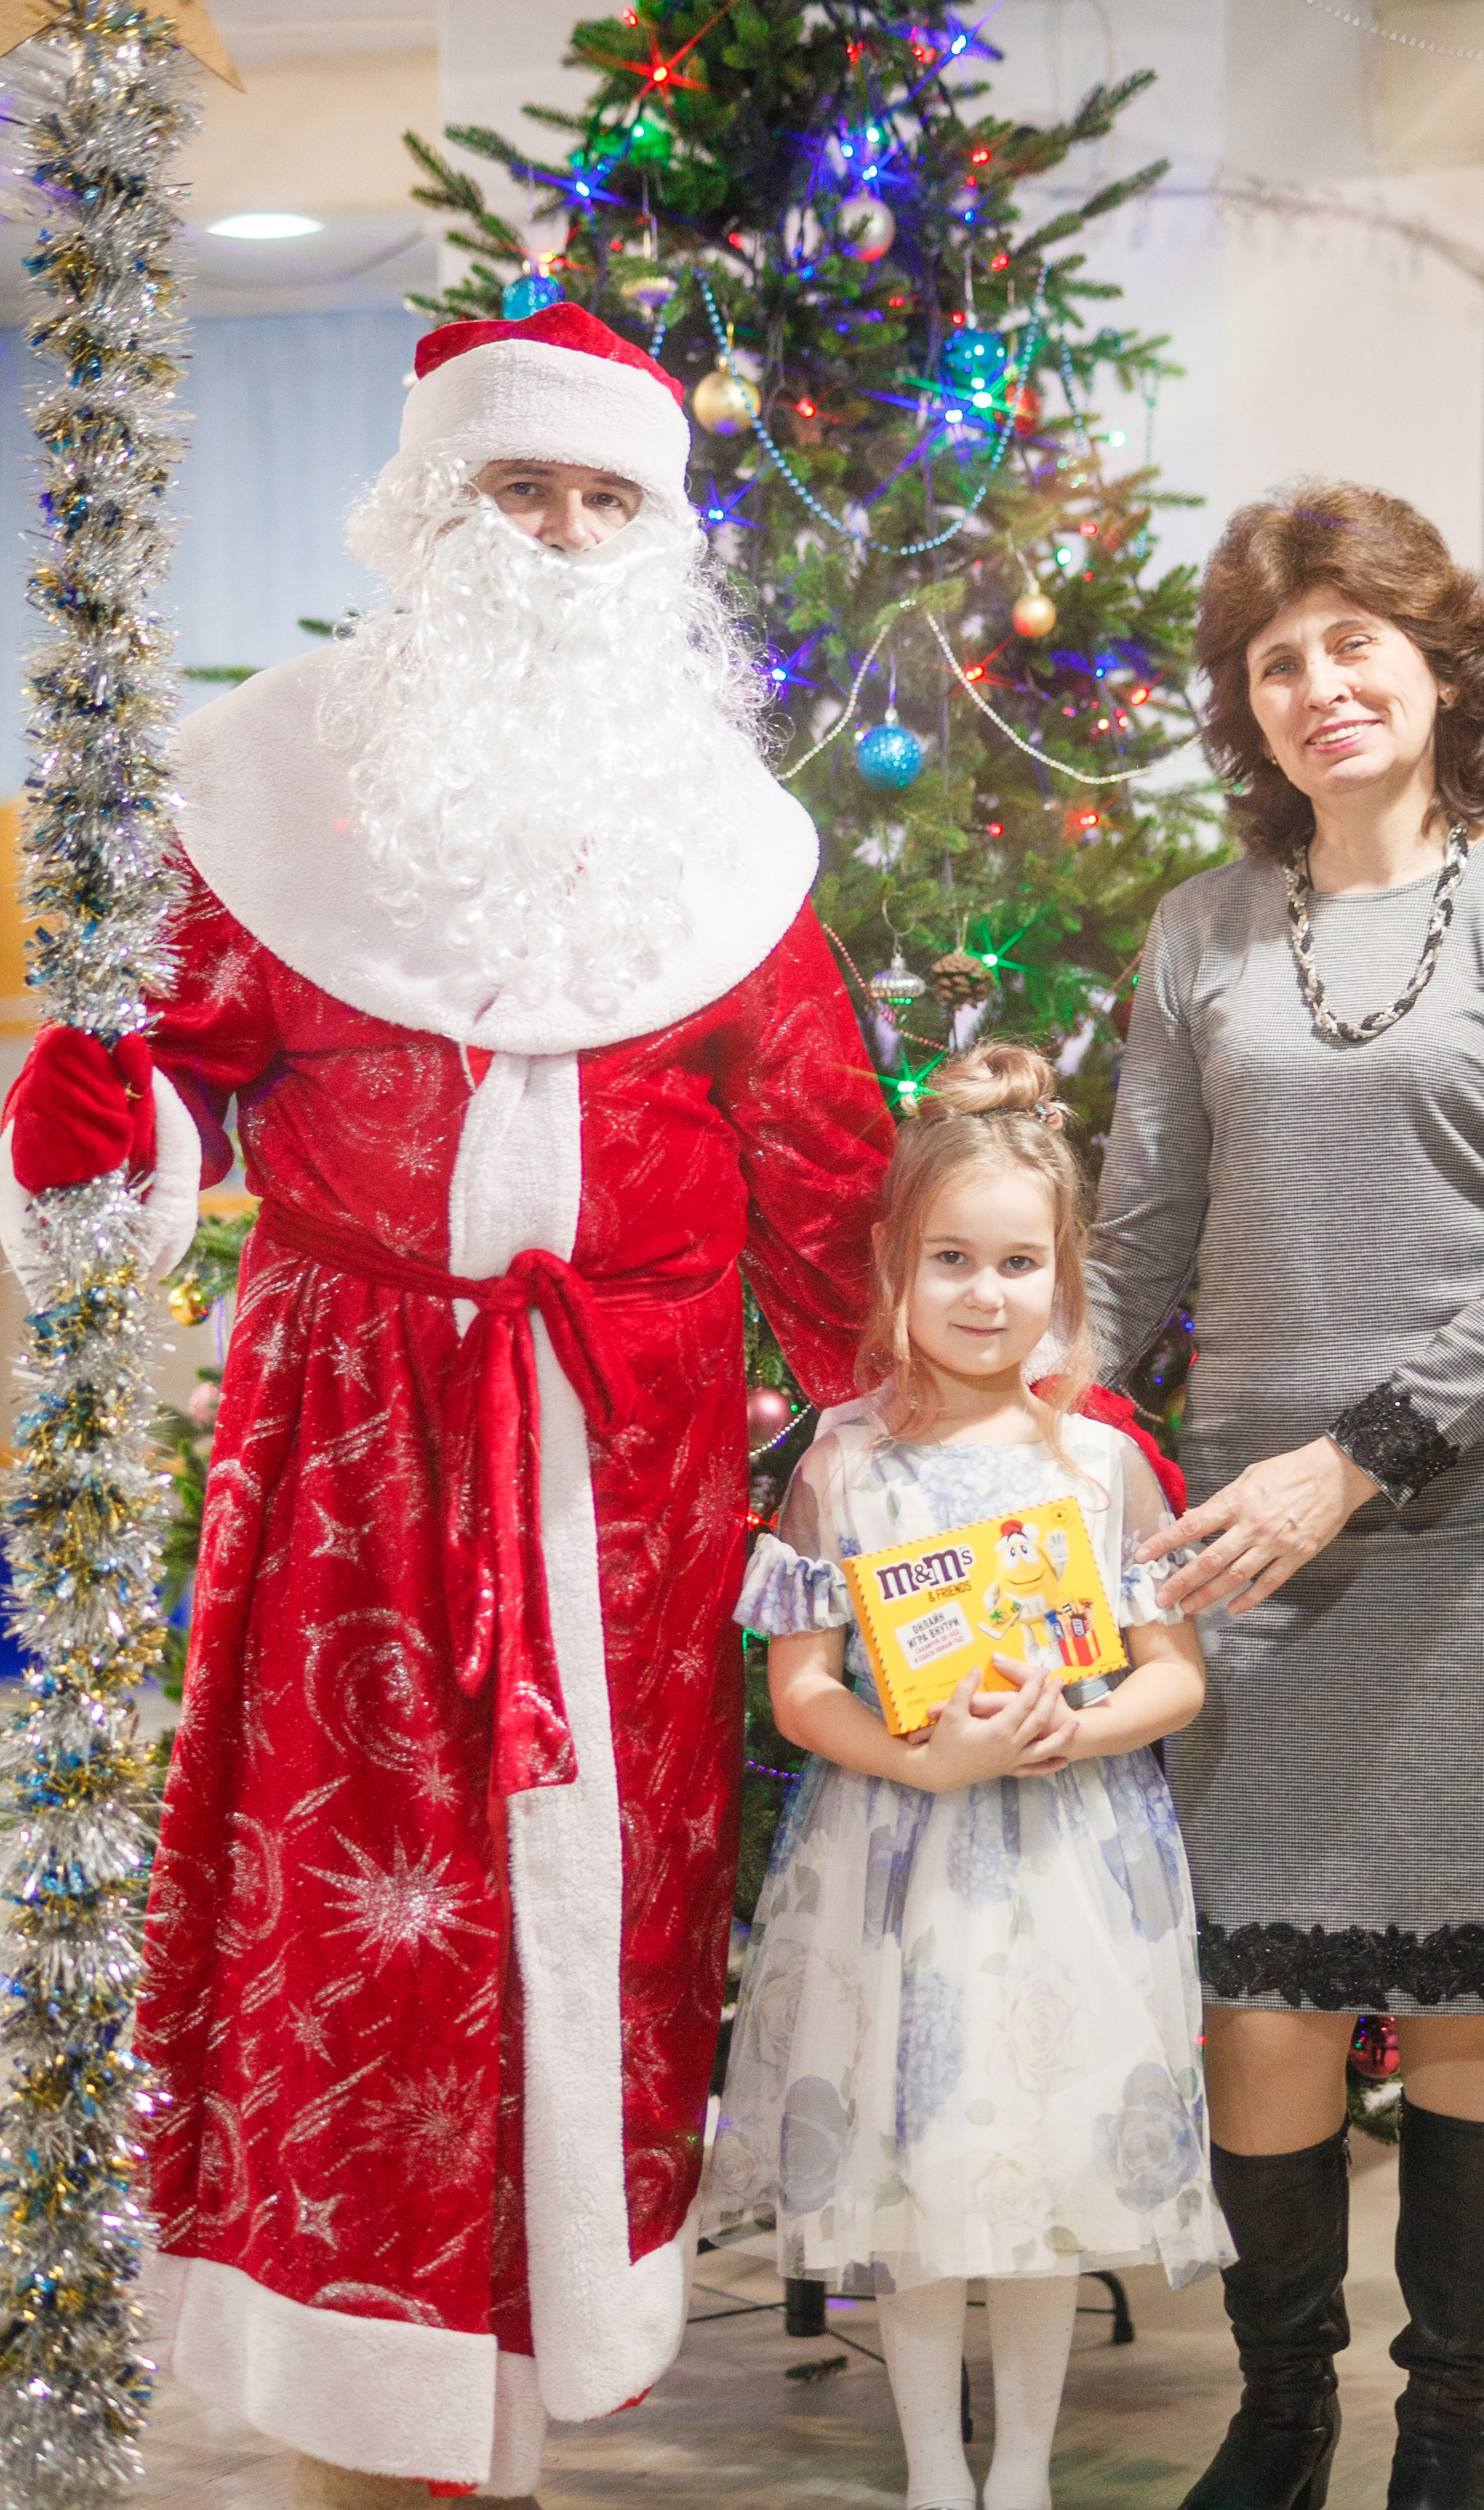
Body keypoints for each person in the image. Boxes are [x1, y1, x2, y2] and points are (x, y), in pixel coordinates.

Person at [3, 304, 891, 2507]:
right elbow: (156, 1112)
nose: (563, 538)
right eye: (521, 490)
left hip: (641, 1466)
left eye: (608, 499)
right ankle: (365, 2406)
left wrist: (875, 1421)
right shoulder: (267, 784)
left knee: (596, 1913)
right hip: (354, 1449)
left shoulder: (727, 836)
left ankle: (538, 2339)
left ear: (660, 541)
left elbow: (821, 1157)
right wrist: (104, 1101)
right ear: (429, 509)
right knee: (370, 1906)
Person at [1089, 482, 1484, 2510]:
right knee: (1267, 2004)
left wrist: (1356, 1461)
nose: (1320, 684)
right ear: (1249, 706)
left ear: (1436, 666)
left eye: (1353, 643)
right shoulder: (1201, 928)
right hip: (1249, 1555)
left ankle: (1454, 2427)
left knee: (1477, 1997)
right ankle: (1287, 2407)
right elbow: (1142, 1236)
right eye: (1278, 657)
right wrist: (1019, 1418)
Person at [703, 1043, 1228, 2510]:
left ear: (1060, 1279)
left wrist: (1082, 1725)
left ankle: (1024, 2472)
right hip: (899, 1868)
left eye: (1014, 1264)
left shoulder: (1099, 1467)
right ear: (892, 1266)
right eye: (950, 1260)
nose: (982, 1295)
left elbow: (1174, 1671)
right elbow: (802, 1695)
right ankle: (934, 2469)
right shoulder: (840, 1466)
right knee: (914, 2168)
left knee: (1043, 2171)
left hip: (1065, 1865)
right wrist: (917, 1763)